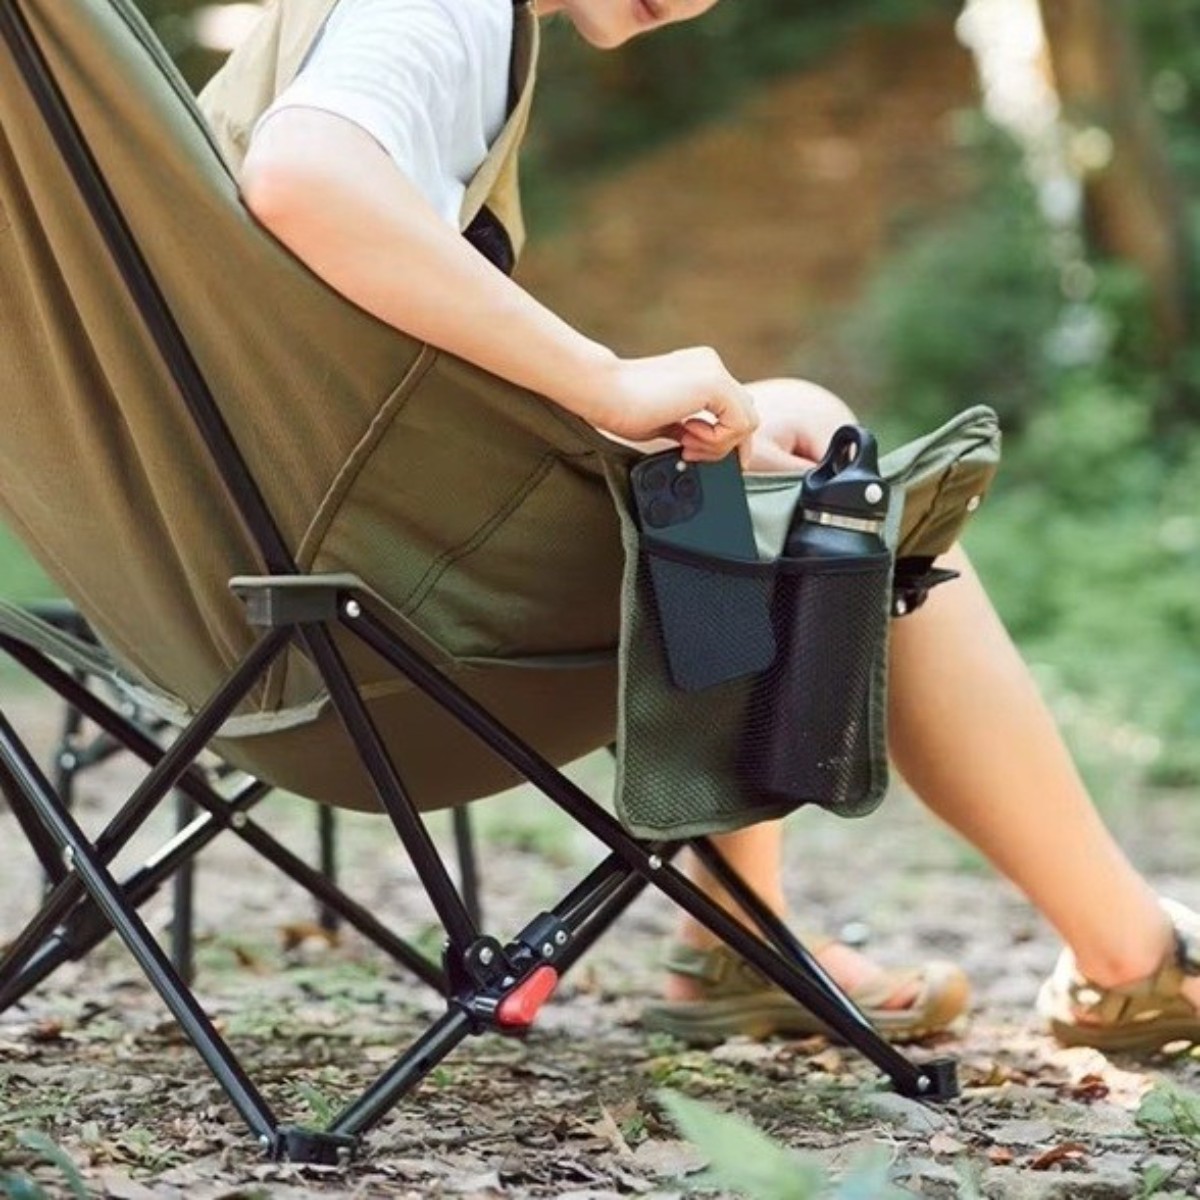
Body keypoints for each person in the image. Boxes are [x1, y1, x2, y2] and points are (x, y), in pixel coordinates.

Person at [236, 0, 1200, 1051]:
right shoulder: (447, 9)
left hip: (255, 612)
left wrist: (628, 422)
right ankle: (1131, 960)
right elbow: (305, 176)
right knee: (833, 478)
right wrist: (602, 384)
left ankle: (747, 933)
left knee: (774, 434)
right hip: (389, 633)